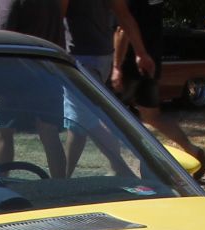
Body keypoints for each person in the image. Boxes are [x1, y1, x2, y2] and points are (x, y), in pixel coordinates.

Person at [113, 0, 205, 179]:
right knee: (151, 115)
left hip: (131, 60)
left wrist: (116, 65)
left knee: (111, 116)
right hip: (150, 57)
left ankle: (121, 167)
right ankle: (193, 151)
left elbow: (123, 28)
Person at [61, 0, 151, 177]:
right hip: (103, 56)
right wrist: (140, 53)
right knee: (77, 124)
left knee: (86, 121)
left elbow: (57, 16)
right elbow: (124, 16)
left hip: (80, 57)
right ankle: (63, 177)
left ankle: (123, 170)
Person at [0, 0, 67, 179]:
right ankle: (61, 186)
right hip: (47, 70)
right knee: (50, 134)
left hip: (15, 75)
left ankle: (1, 184)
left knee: (3, 133)